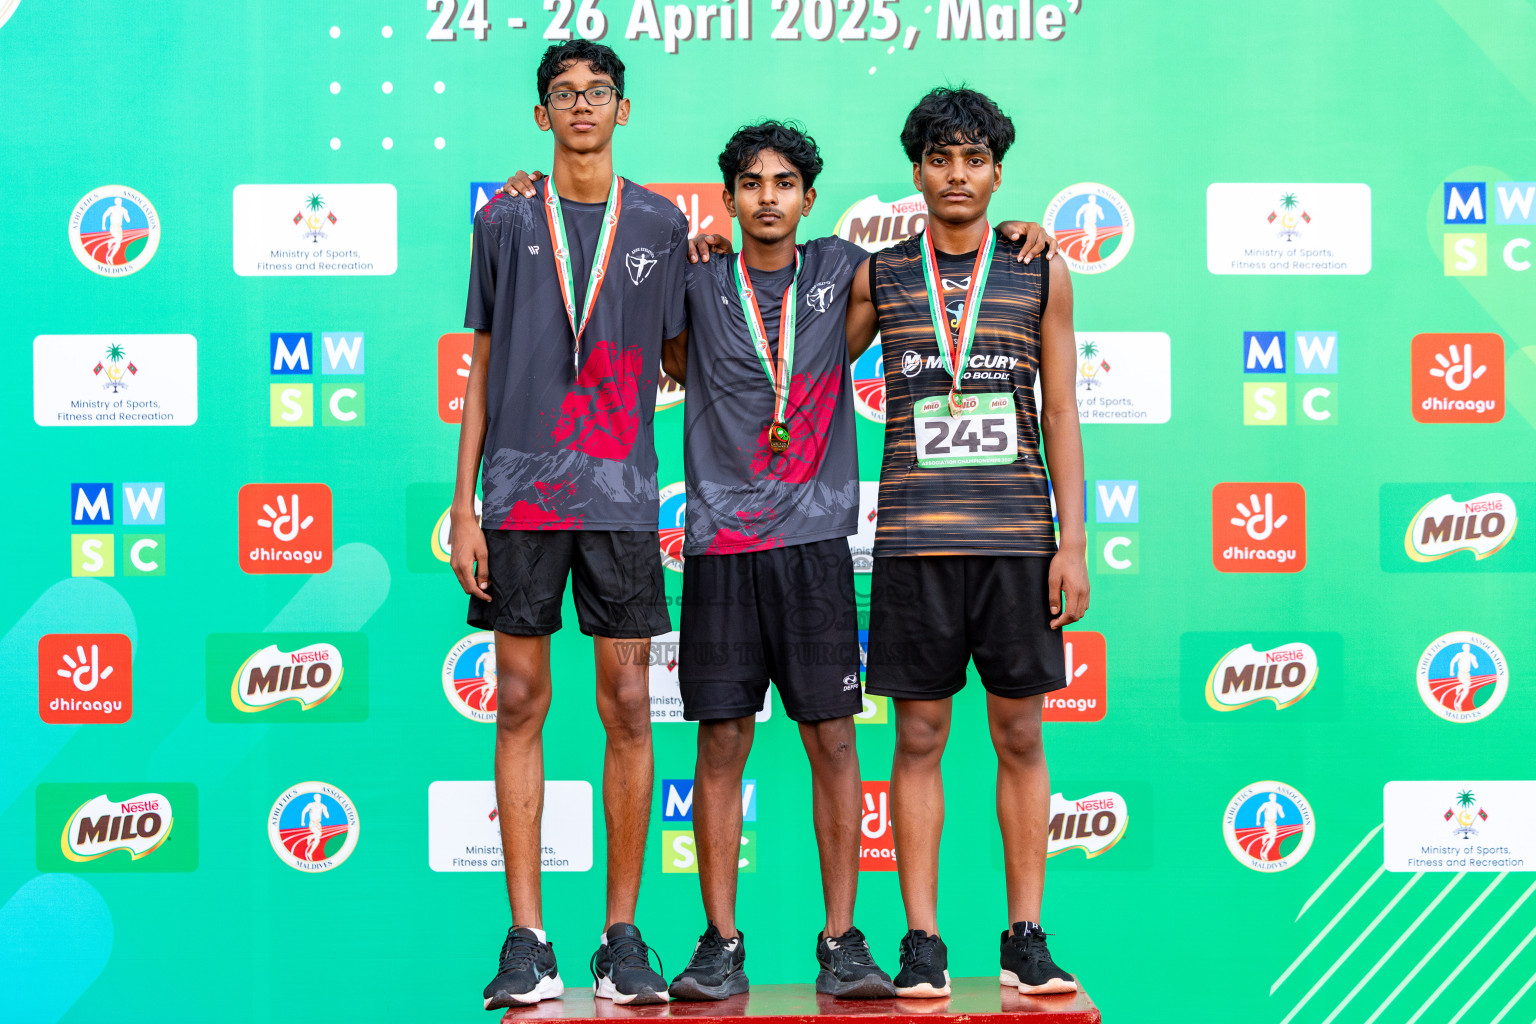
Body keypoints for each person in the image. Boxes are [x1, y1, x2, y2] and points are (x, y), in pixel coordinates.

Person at [497, 121, 1055, 1002]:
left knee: (834, 740)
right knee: (721, 741)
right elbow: (645, 336)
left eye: (785, 182)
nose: (767, 196)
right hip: (721, 545)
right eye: (751, 183)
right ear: (727, 198)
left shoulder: (846, 271)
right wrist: (532, 195)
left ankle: (842, 941)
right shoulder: (692, 278)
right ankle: (720, 943)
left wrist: (1024, 232)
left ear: (809, 197)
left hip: (816, 546)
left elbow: (941, 258)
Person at [449, 39, 689, 1010]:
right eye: (564, 92)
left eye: (599, 92)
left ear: (623, 110)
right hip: (520, 499)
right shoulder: (505, 218)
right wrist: (463, 502)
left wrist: (714, 270)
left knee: (628, 704)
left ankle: (620, 938)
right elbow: (480, 368)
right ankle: (528, 939)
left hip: (621, 500)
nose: (582, 105)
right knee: (518, 700)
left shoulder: (663, 223)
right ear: (542, 114)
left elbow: (683, 354)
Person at [845, 86, 1088, 998]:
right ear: (916, 172)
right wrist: (717, 258)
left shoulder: (1040, 270)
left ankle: (1025, 937)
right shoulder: (880, 275)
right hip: (915, 540)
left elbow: (1060, 412)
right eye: (940, 159)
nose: (957, 175)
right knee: (919, 735)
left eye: (975, 160)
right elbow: (800, 357)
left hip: (1019, 539)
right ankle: (922, 940)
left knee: (1020, 733)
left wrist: (1074, 542)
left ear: (997, 173)